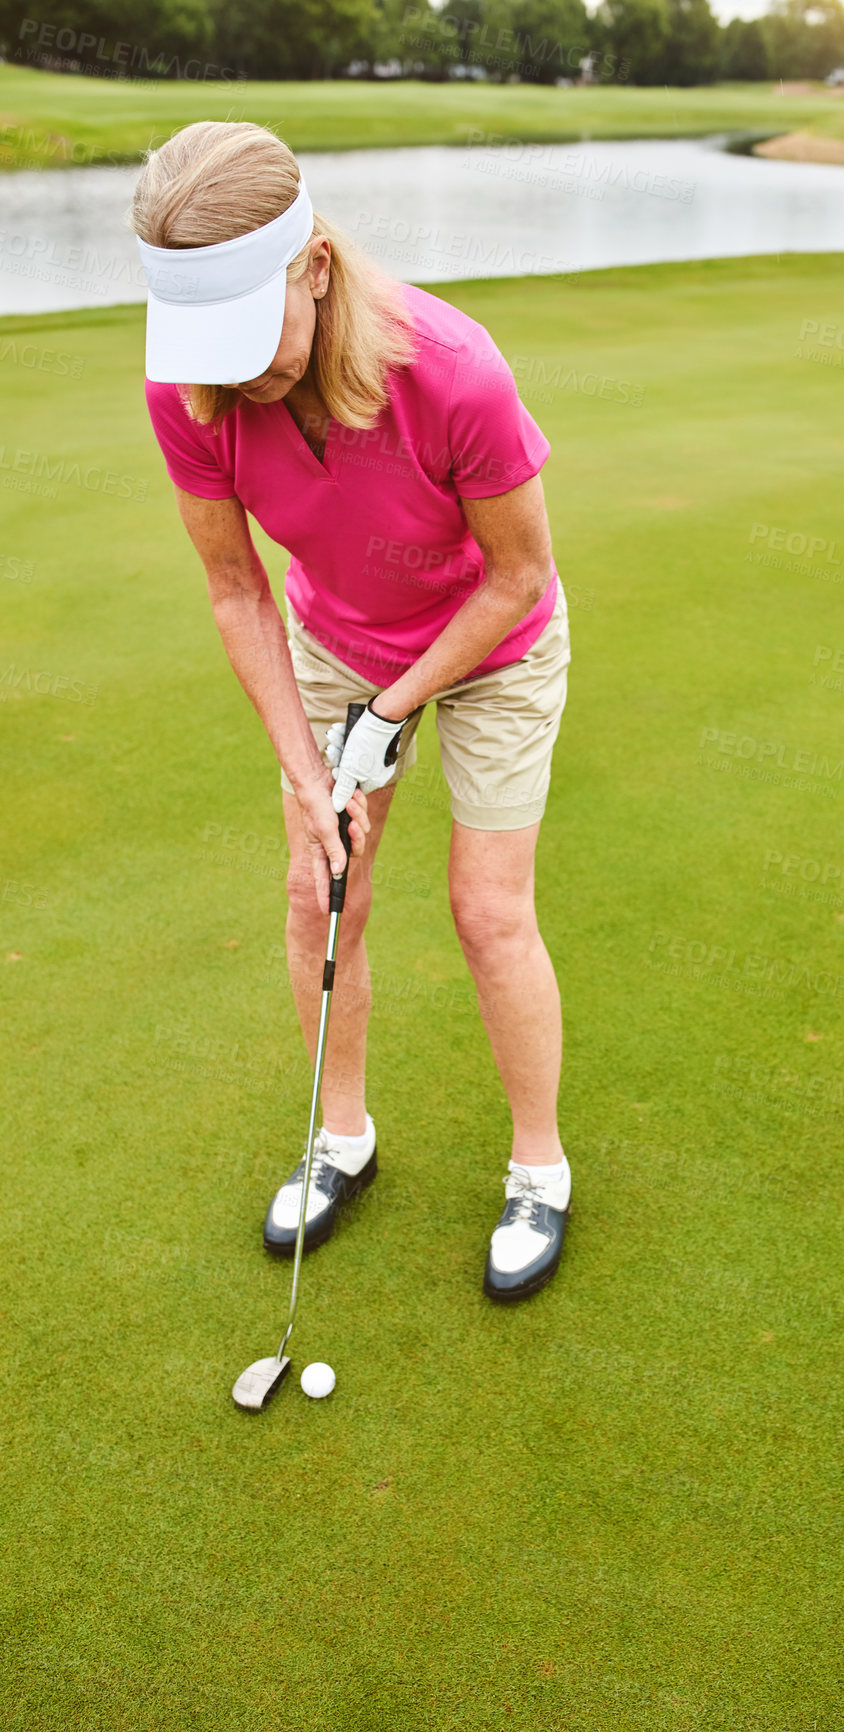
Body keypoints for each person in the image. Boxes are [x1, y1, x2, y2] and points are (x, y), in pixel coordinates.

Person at [132, 120, 572, 1301]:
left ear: (314, 264)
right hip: (335, 637)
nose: (236, 374)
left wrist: (390, 712)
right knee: (318, 883)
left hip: (490, 644)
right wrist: (305, 766)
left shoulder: (452, 368)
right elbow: (236, 588)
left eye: (252, 333)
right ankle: (342, 1140)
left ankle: (539, 1166)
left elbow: (517, 576)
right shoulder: (195, 389)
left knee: (486, 909)